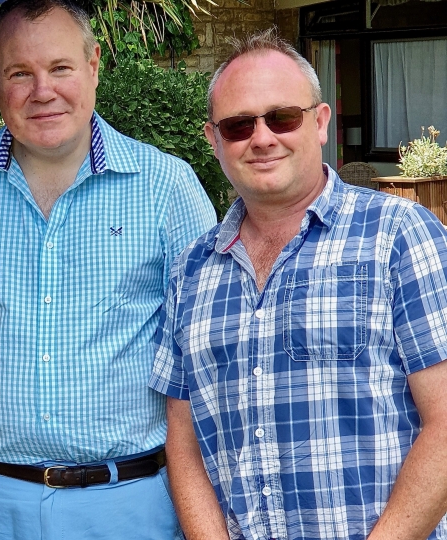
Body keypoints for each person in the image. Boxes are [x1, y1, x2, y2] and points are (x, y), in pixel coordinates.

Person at [0, 0, 217, 538]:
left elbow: (207, 361)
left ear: (93, 66)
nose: (42, 90)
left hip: (133, 507)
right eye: (20, 72)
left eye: (60, 68)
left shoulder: (166, 187)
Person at [150, 28, 447, 540]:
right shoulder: (190, 271)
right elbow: (184, 443)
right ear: (214, 140)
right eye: (239, 125)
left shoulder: (400, 236)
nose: (262, 138)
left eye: (282, 117)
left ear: (320, 123)